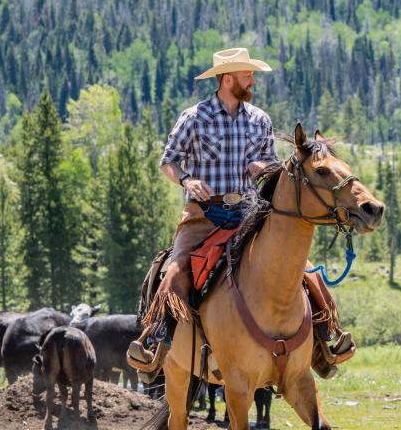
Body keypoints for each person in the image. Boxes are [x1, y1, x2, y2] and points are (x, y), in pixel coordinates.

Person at [127, 47, 353, 379]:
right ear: (228, 78)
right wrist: (188, 180)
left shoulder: (260, 119)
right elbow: (168, 162)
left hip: (251, 214)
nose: (252, 81)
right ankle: (154, 347)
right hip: (204, 216)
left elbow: (268, 162)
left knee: (302, 270)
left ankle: (324, 343)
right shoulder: (195, 117)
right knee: (175, 273)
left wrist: (262, 167)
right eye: (247, 75)